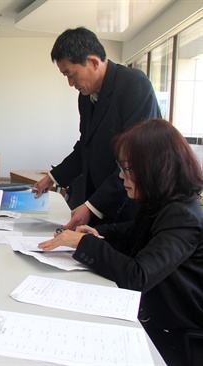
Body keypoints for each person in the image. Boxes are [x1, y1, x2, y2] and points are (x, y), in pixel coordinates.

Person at [38, 119, 203, 365]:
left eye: (128, 168)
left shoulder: (183, 217)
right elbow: (133, 232)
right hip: (155, 319)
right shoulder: (163, 202)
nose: (121, 176)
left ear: (155, 168)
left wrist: (81, 244)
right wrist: (94, 233)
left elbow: (137, 276)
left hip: (177, 338)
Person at [33, 27, 161, 230]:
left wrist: (92, 207)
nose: (70, 83)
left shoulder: (134, 84)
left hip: (129, 206)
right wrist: (53, 178)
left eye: (71, 74)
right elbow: (86, 145)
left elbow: (136, 158)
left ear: (93, 62)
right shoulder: (85, 98)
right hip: (100, 201)